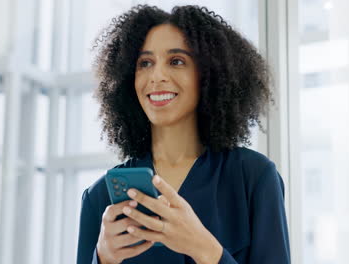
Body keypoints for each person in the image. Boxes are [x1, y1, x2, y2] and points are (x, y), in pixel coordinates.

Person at [77, 4, 291, 264]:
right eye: (145, 63)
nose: (156, 76)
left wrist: (207, 250)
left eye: (176, 61)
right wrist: (103, 259)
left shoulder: (254, 178)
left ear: (208, 74)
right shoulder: (100, 197)